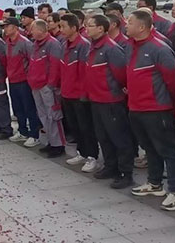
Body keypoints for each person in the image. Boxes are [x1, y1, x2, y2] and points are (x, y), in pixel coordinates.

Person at [125, 10, 175, 211]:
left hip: (157, 109)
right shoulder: (130, 46)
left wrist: (173, 106)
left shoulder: (159, 48)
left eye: (130, 22)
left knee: (168, 150)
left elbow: (173, 79)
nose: (126, 25)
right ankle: (154, 182)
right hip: (136, 107)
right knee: (149, 148)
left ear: (142, 27)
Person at [85, 14, 133, 189]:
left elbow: (121, 74)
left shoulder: (111, 48)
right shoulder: (92, 47)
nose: (87, 28)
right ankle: (110, 166)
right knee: (103, 136)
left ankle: (126, 172)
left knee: (119, 137)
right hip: (96, 99)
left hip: (111, 100)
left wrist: (116, 90)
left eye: (90, 25)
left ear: (101, 28)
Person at [59, 14, 100, 172]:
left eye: (63, 26)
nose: (61, 29)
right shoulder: (64, 45)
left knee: (86, 127)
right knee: (75, 126)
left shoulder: (83, 45)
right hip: (67, 93)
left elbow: (85, 73)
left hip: (80, 95)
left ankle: (92, 156)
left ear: (74, 28)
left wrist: (84, 93)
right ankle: (81, 153)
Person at [28, 19, 65, 157]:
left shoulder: (52, 44)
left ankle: (58, 144)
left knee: (53, 115)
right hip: (36, 85)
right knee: (43, 114)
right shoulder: (35, 45)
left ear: (41, 30)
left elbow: (55, 66)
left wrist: (51, 85)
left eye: (33, 29)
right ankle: (51, 141)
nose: (30, 32)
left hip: (47, 86)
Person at [4, 17, 41, 147]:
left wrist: (30, 77)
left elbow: (32, 61)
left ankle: (34, 135)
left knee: (29, 108)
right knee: (18, 108)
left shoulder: (25, 43)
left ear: (15, 27)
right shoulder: (7, 42)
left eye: (7, 26)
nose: (5, 29)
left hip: (24, 81)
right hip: (12, 80)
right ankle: (22, 131)